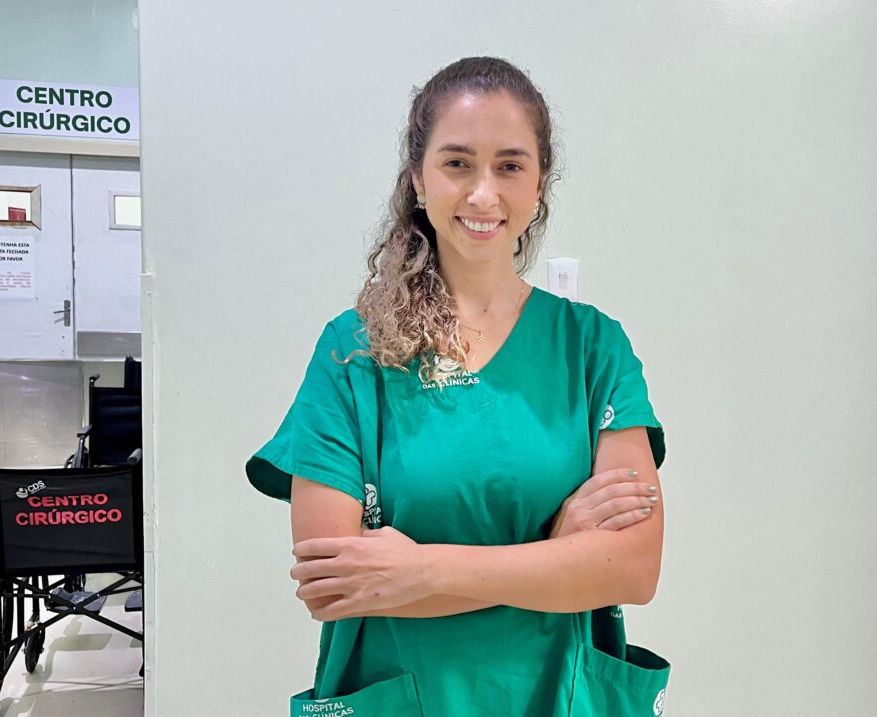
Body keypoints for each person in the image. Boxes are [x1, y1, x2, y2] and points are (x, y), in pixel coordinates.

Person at [246, 56, 670, 716]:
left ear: (539, 183)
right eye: (457, 163)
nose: (482, 194)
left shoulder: (591, 346)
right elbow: (334, 587)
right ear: (419, 177)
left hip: (556, 694)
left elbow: (633, 569)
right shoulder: (352, 352)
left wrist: (421, 571)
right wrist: (558, 557)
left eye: (509, 165)